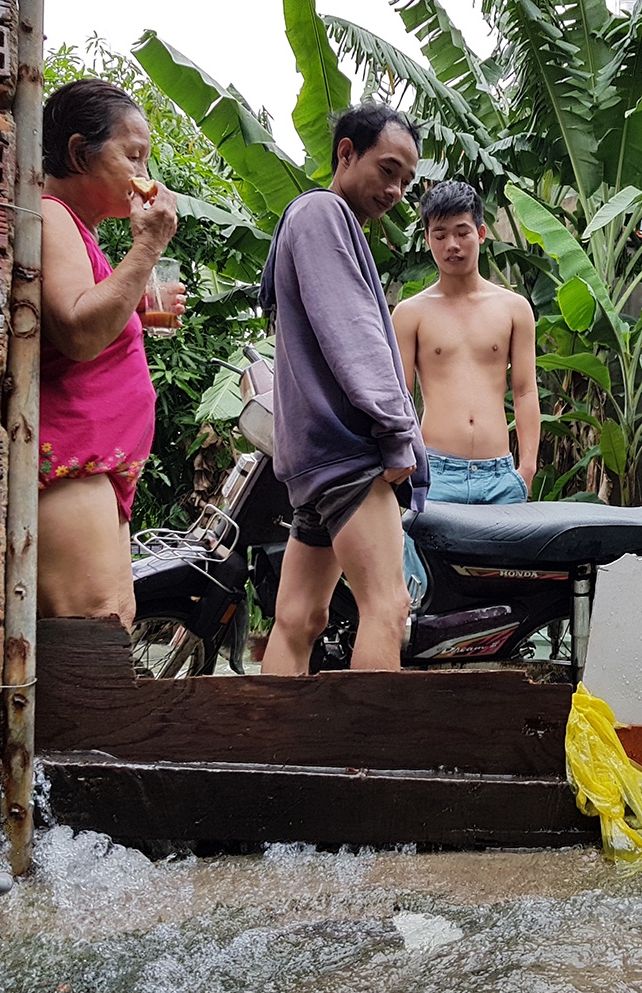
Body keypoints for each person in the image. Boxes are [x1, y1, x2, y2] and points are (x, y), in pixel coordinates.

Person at [259, 104, 427, 675]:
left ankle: (275, 733)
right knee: (388, 607)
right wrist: (396, 433)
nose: (396, 190)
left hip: (315, 460)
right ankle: (368, 737)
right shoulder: (323, 214)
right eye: (387, 170)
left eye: (406, 180)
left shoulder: (310, 218)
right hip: (348, 454)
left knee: (299, 618)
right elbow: (354, 336)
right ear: (346, 153)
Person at [38, 78, 184, 628]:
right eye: (133, 156)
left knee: (116, 619)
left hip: (98, 467)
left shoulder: (82, 231)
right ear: (80, 153)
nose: (144, 175)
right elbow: (78, 332)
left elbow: (88, 317)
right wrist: (148, 246)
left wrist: (138, 308)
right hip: (73, 461)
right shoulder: (51, 213)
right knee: (94, 629)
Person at [392, 180, 539, 504]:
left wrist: (527, 468)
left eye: (462, 233)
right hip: (435, 474)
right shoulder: (409, 314)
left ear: (481, 233)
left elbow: (525, 391)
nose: (452, 245)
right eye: (440, 235)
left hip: (500, 477)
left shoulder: (514, 309)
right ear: (427, 239)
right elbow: (400, 397)